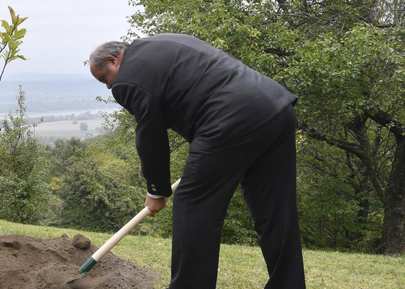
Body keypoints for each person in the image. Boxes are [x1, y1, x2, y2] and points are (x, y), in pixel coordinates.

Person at [89, 34, 306, 289]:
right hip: (275, 107)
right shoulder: (162, 42)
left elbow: (150, 136)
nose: (108, 87)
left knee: (193, 205)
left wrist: (156, 190)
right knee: (275, 211)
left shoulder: (127, 80)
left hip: (229, 118)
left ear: (113, 61)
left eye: (104, 79)